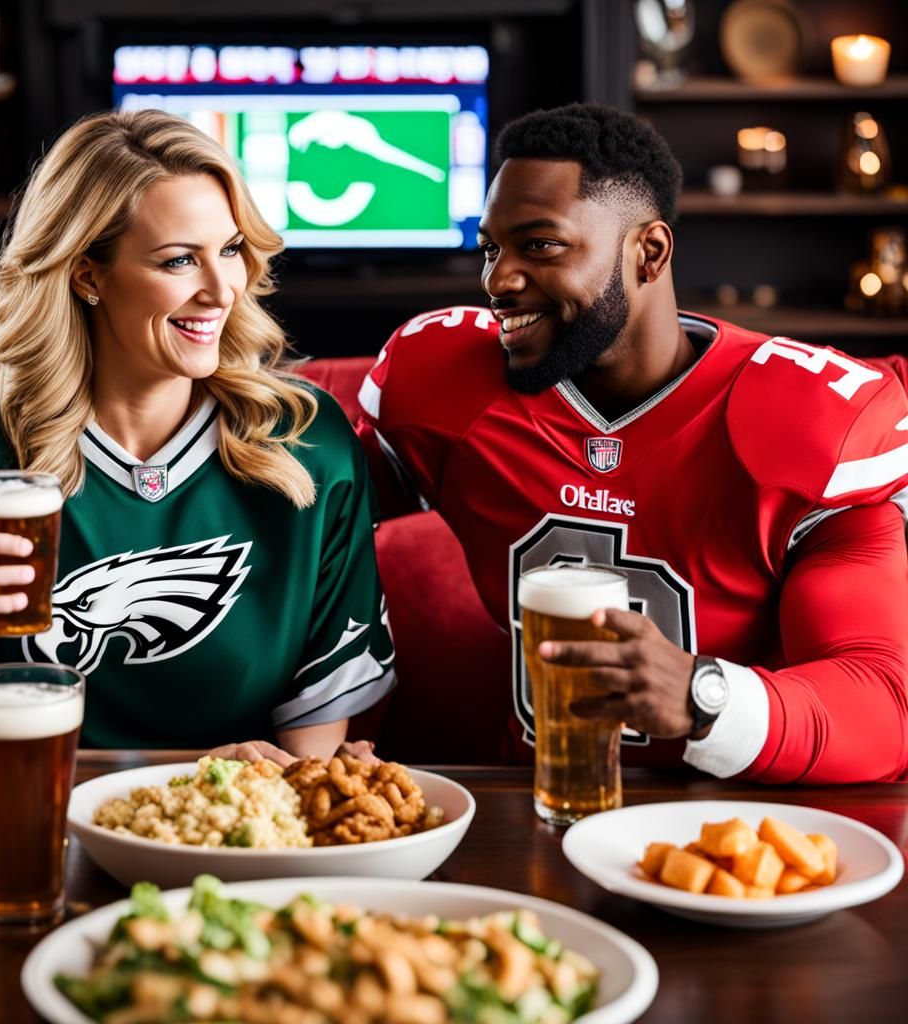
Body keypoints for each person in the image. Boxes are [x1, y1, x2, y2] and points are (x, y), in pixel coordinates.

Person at [357, 102, 908, 784]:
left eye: (541, 245)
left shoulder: (807, 421)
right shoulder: (446, 384)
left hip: (734, 827)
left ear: (649, 252)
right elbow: (305, 522)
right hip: (528, 801)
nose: (497, 281)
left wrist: (704, 696)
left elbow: (881, 702)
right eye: (492, 249)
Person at [0, 109, 394, 767]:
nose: (221, 290)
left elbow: (308, 755)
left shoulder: (307, 442)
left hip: (221, 839)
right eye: (180, 259)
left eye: (232, 249)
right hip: (18, 828)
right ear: (86, 273)